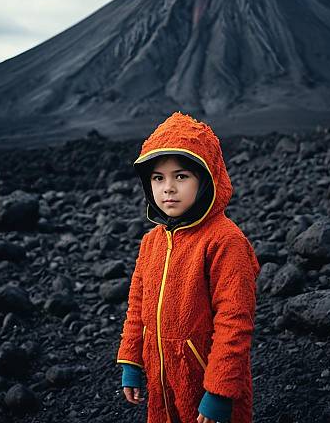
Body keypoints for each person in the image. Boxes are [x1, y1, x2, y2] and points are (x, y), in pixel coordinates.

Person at [116, 111, 261, 423]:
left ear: (206, 179)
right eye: (158, 178)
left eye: (181, 176)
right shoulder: (151, 241)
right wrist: (132, 361)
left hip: (206, 384)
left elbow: (235, 322)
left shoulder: (225, 241)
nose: (168, 188)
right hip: (162, 379)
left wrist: (220, 391)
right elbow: (137, 307)